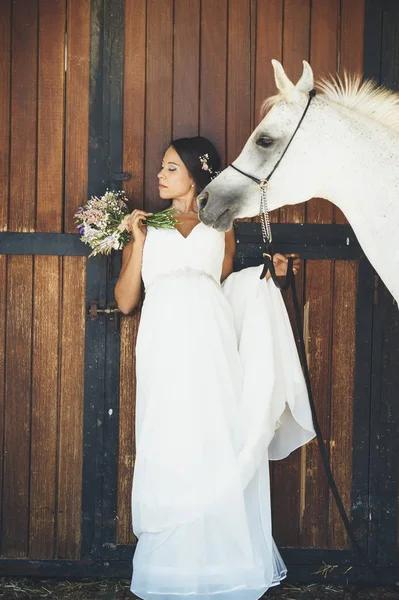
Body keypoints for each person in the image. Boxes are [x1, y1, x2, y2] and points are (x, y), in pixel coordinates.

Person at [115, 136, 315, 600]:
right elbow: (126, 301)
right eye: (161, 168)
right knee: (169, 438)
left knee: (213, 437)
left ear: (195, 174)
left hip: (213, 345)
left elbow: (225, 286)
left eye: (169, 168)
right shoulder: (147, 224)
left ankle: (221, 563)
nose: (159, 176)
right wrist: (138, 242)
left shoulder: (219, 226)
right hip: (163, 345)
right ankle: (170, 569)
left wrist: (270, 274)